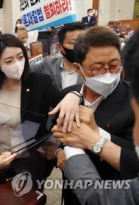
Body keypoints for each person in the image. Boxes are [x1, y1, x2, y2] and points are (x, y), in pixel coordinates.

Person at [50, 30, 139, 205]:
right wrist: (59, 151)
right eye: (97, 68)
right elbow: (57, 130)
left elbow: (134, 161)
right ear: (78, 68)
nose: (108, 73)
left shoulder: (134, 100)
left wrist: (96, 135)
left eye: (114, 65)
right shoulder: (69, 94)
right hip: (73, 191)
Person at [0, 34, 82, 157]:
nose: (17, 64)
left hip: (30, 157)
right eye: (9, 61)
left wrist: (74, 95)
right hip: (0, 154)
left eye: (20, 57)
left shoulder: (40, 82)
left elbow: (63, 105)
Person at [30, 22, 85, 90]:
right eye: (73, 43)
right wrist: (20, 43)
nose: (80, 47)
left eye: (84, 42)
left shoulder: (92, 70)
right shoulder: (48, 64)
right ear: (59, 47)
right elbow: (23, 70)